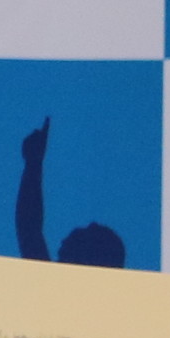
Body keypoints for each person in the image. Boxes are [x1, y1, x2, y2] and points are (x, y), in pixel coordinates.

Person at [14, 116, 125, 271]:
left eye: (87, 234)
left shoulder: (53, 283)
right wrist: (33, 162)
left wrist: (33, 163)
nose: (80, 229)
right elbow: (29, 230)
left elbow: (29, 229)